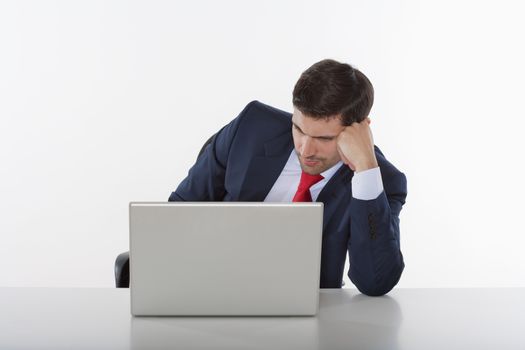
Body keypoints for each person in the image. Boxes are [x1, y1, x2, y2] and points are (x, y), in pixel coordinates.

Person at [168, 59, 407, 296]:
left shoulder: (379, 180)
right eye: (299, 130)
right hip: (213, 286)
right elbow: (179, 212)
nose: (305, 150)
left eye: (324, 139)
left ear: (360, 131)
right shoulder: (251, 128)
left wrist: (365, 169)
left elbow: (375, 282)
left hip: (304, 311)